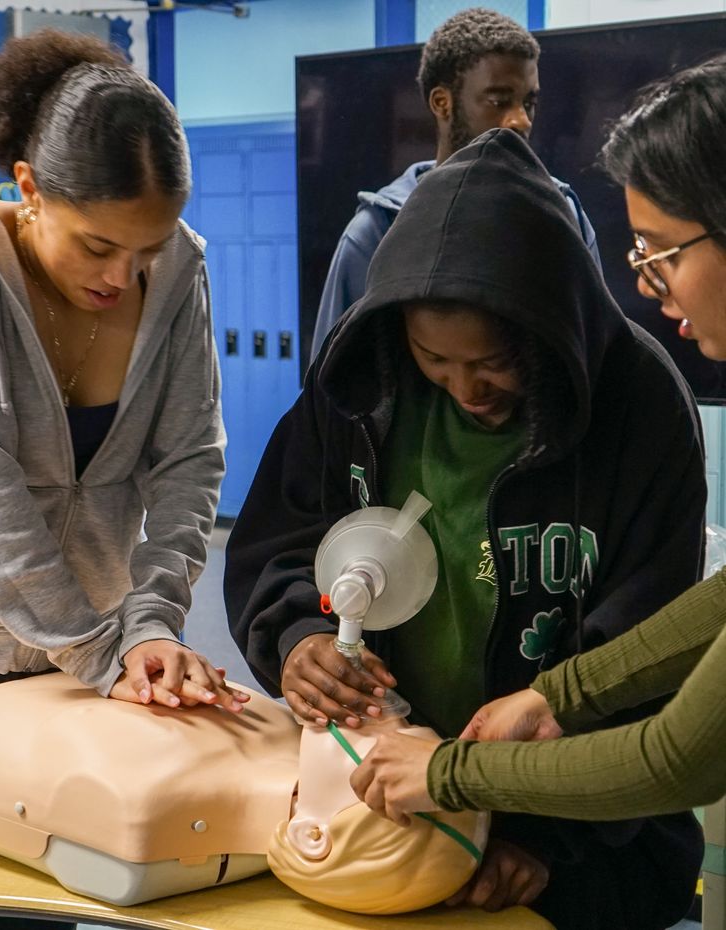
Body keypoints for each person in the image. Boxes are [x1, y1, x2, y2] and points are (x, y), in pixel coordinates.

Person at [223, 127, 705, 929]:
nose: (464, 389)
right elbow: (280, 536)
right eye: (433, 361)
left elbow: (644, 666)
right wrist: (298, 639)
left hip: (574, 835)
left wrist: (542, 843)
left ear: (553, 335)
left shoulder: (641, 410)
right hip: (383, 801)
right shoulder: (361, 385)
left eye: (492, 364)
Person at [0, 30, 246, 930]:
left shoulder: (179, 266)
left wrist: (148, 621)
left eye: (144, 253)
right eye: (99, 245)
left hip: (85, 666)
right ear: (29, 188)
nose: (124, 276)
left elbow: (191, 465)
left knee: (58, 908)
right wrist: (107, 651)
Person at [348, 48, 726, 913]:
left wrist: (451, 772)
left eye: (664, 252)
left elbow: (678, 756)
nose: (652, 284)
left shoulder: (640, 404)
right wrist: (556, 694)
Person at [308, 7, 600, 360]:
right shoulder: (378, 231)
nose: (520, 120)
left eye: (529, 102)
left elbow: (599, 354)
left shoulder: (565, 215)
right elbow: (331, 383)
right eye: (498, 100)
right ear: (442, 103)